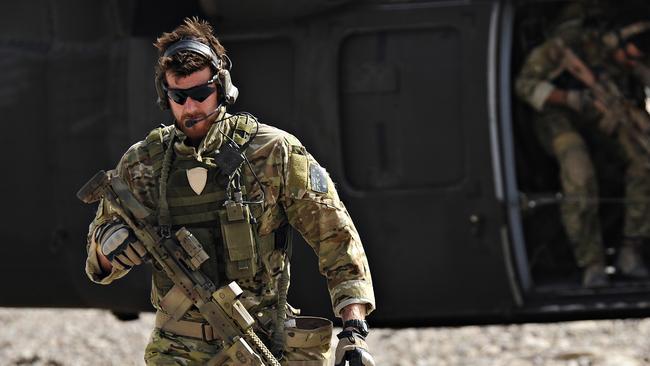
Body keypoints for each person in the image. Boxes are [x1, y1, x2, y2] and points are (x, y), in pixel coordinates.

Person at [83, 17, 376, 365]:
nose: (191, 107)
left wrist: (354, 332)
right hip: (178, 350)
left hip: (264, 340)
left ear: (222, 86)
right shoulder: (144, 163)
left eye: (201, 93)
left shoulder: (272, 152)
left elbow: (336, 237)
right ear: (165, 95)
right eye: (179, 96)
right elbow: (98, 262)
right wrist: (109, 247)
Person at [515, 9, 650, 288]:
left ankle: (630, 250)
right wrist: (569, 97)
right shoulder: (565, 48)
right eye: (632, 55)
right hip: (556, 117)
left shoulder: (623, 62)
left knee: (643, 163)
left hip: (599, 116)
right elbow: (524, 86)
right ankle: (592, 263)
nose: (633, 62)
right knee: (579, 171)